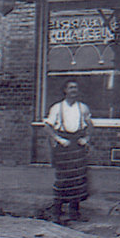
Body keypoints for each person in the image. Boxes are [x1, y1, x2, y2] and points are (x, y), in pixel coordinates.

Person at [43, 80, 93, 225]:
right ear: (65, 90)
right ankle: (56, 213)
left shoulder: (83, 108)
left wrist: (87, 139)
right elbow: (47, 127)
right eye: (70, 88)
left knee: (78, 179)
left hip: (77, 144)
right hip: (64, 146)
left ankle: (74, 213)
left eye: (76, 87)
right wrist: (58, 139)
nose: (73, 90)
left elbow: (90, 125)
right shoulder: (57, 108)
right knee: (62, 179)